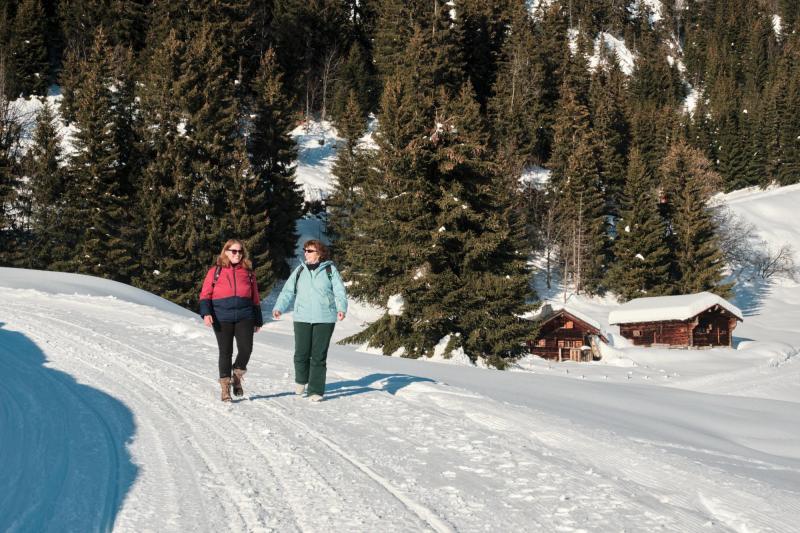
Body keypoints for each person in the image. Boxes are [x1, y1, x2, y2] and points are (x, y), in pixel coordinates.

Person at [272, 240, 347, 402]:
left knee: (318, 356)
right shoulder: (300, 270)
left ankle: (315, 390)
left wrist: (342, 309)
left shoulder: (329, 269)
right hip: (302, 317)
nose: (306, 253)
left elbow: (339, 291)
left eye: (310, 250)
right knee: (301, 353)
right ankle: (301, 380)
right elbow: (287, 291)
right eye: (305, 250)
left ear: (319, 253)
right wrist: (279, 307)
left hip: (325, 318)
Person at [199, 239, 263, 402]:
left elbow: (255, 297)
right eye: (233, 251)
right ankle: (225, 387)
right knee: (225, 352)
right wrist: (206, 313)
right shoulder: (216, 271)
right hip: (222, 317)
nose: (237, 254)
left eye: (240, 251)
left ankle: (237, 375)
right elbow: (205, 294)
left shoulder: (248, 272)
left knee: (246, 349)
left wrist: (258, 319)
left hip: (245, 315)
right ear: (226, 252)